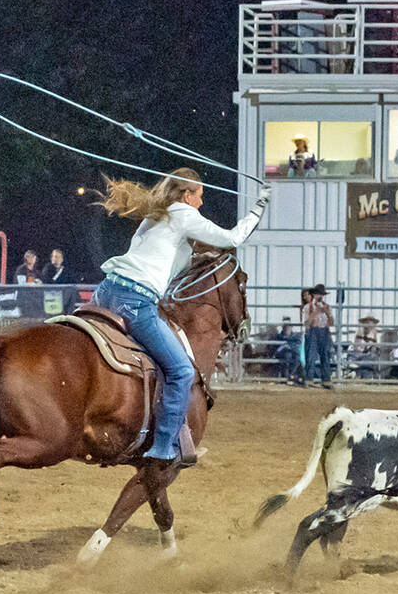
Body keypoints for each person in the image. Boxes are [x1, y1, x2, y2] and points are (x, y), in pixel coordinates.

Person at [93, 167, 270, 464]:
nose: (201, 203)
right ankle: (162, 447)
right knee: (181, 371)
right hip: (135, 300)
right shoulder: (185, 214)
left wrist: (198, 256)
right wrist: (260, 204)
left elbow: (168, 259)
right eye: (199, 196)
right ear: (187, 196)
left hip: (106, 292)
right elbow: (233, 238)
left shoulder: (155, 217)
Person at [302, 284, 334, 388]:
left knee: (325, 356)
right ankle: (309, 380)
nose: (320, 296)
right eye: (318, 294)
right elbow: (306, 323)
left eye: (321, 294)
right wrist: (315, 313)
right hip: (313, 332)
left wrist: (328, 313)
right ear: (314, 295)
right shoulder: (308, 307)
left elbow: (331, 323)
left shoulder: (327, 307)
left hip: (324, 331)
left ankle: (326, 380)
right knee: (311, 357)